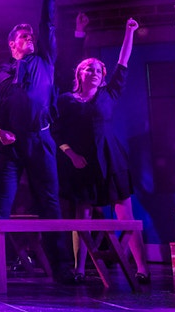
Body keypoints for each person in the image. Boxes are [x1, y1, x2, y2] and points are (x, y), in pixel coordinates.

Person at [0, 0, 74, 282]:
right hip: (9, 148)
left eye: (30, 36)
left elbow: (48, 26)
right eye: (24, 37)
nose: (30, 39)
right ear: (12, 44)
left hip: (40, 141)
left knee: (50, 203)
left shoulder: (45, 61)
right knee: (0, 208)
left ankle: (62, 268)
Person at [53, 18, 150, 283]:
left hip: (112, 158)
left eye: (98, 69)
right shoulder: (66, 100)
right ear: (79, 75)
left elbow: (123, 62)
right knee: (82, 213)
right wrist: (71, 154)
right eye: (88, 68)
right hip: (83, 161)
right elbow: (57, 132)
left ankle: (141, 268)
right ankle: (80, 268)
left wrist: (129, 31)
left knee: (124, 212)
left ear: (102, 76)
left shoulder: (109, 93)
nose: (93, 72)